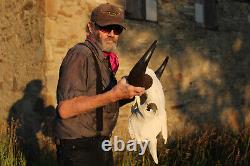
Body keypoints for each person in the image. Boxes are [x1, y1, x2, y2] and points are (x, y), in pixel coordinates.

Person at [55, 3, 145, 166]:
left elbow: (102, 100)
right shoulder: (80, 54)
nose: (111, 34)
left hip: (100, 143)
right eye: (105, 28)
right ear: (91, 27)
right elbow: (65, 109)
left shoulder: (103, 59)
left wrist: (127, 93)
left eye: (116, 29)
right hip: (78, 149)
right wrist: (114, 95)